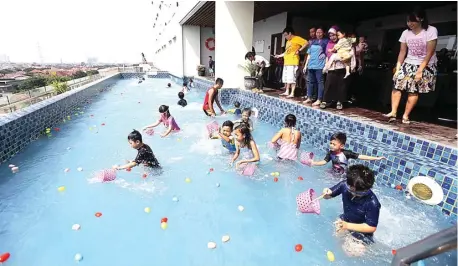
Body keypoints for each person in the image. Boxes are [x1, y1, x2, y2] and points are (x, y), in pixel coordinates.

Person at [384, 7, 438, 124]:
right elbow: (402, 52)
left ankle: (405, 115)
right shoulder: (405, 33)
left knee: (413, 89)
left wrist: (420, 71)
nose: (410, 23)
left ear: (421, 19)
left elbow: (430, 53)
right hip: (409, 62)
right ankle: (393, 112)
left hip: (425, 63)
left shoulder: (431, 30)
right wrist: (398, 68)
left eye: (413, 21)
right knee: (397, 84)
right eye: (408, 21)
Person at [322, 164, 381, 256]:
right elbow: (328, 196)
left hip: (362, 232)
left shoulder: (372, 203)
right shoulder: (344, 185)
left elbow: (371, 227)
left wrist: (347, 226)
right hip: (345, 220)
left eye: (361, 192)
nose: (354, 193)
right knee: (336, 240)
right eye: (352, 189)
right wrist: (326, 193)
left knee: (352, 253)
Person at [310, 132, 385, 174]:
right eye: (330, 143)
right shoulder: (330, 153)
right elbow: (324, 161)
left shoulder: (346, 153)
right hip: (333, 172)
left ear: (342, 146)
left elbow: (360, 156)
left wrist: (376, 158)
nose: (331, 145)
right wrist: (314, 163)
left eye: (334, 144)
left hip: (343, 175)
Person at [321, 27, 357, 110]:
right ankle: (325, 100)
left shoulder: (346, 43)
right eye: (330, 36)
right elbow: (328, 56)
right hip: (331, 67)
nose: (333, 37)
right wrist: (326, 65)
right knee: (329, 84)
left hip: (342, 67)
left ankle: (339, 101)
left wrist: (352, 66)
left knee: (341, 85)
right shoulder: (330, 44)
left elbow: (352, 55)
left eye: (334, 35)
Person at [274, 27, 308, 98]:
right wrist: (279, 56)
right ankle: (287, 91)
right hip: (287, 62)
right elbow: (286, 52)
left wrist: (299, 50)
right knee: (287, 78)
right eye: (284, 36)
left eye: (286, 35)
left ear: (290, 33)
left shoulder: (297, 38)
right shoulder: (288, 42)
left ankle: (292, 93)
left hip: (293, 61)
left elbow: (306, 43)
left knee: (292, 78)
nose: (285, 37)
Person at [303, 27, 328, 105]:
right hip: (311, 65)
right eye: (317, 32)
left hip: (320, 66)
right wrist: (305, 65)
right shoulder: (313, 42)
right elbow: (309, 54)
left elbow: (327, 54)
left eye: (320, 32)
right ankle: (309, 97)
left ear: (323, 33)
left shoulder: (326, 41)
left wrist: (325, 65)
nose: (318, 34)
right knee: (310, 82)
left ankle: (319, 99)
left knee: (320, 82)